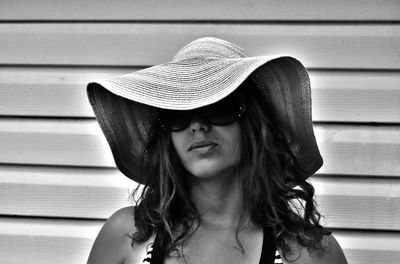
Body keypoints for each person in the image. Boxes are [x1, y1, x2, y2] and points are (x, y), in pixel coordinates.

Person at [86, 37, 348, 264]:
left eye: (218, 108)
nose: (197, 126)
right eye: (178, 114)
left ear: (253, 126)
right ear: (167, 135)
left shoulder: (309, 253)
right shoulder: (129, 235)